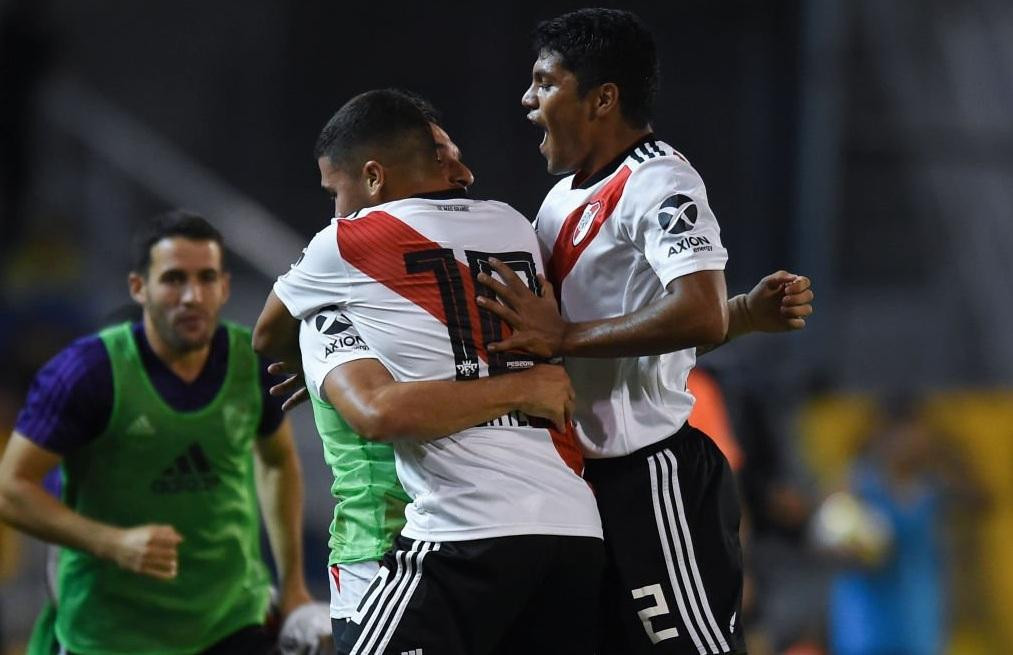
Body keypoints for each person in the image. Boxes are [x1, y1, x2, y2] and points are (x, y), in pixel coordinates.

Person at [473, 9, 814, 654]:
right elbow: (659, 335)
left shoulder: (661, 180)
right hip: (579, 481)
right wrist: (743, 316)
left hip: (649, 479)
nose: (528, 100)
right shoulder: (561, 197)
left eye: (545, 83)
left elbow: (696, 311)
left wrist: (564, 337)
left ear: (602, 98)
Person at [254, 89, 604, 655]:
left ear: (371, 176)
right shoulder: (516, 227)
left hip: (461, 530)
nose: (335, 208)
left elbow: (268, 336)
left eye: (334, 191)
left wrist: (305, 352)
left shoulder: (343, 249)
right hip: (574, 529)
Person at [0, 211, 313, 655]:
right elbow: (10, 490)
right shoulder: (86, 373)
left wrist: (294, 584)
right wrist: (112, 542)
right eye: (173, 279)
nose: (192, 296)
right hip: (112, 633)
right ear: (138, 288)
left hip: (230, 622)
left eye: (207, 278)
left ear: (225, 287)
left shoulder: (251, 363)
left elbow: (279, 460)